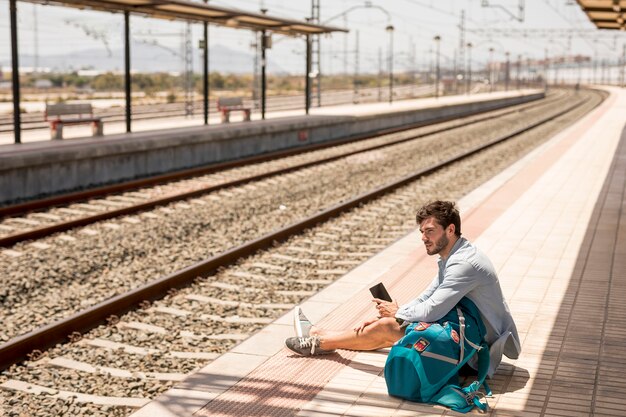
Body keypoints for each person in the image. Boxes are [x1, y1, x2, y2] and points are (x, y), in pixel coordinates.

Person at [285, 200, 520, 377]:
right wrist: (398, 312)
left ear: (450, 229)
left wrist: (397, 315)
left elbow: (431, 311)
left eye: (430, 231)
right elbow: (428, 295)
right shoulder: (455, 255)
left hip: (475, 354)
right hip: (467, 335)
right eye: (422, 232)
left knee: (390, 326)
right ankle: (322, 335)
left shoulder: (464, 264)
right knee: (392, 325)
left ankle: (318, 342)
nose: (424, 238)